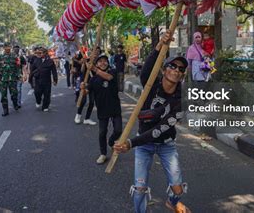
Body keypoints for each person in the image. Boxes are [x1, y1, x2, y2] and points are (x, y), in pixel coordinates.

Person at [114, 30, 190, 213]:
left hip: (166, 144)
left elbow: (158, 130)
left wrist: (130, 143)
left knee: (178, 189)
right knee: (140, 189)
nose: (176, 70)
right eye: (173, 66)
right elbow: (148, 68)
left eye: (181, 69)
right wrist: (159, 46)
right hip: (144, 146)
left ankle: (172, 201)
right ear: (164, 70)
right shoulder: (151, 85)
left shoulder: (181, 101)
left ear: (182, 75)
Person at [81, 54, 122, 164]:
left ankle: (111, 141)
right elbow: (87, 92)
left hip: (114, 107)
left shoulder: (112, 72)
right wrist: (83, 88)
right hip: (102, 108)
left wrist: (94, 68)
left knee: (118, 130)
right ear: (97, 64)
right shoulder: (93, 79)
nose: (103, 63)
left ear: (108, 63)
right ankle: (103, 154)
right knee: (102, 132)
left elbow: (108, 78)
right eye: (100, 61)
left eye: (105, 61)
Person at [0, 42, 21, 116]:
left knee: (14, 94)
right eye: (6, 47)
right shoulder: (0, 56)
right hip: (3, 79)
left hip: (13, 79)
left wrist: (20, 75)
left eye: (9, 47)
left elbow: (18, 67)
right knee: (3, 95)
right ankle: (5, 110)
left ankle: (15, 103)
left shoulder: (14, 56)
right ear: (4, 48)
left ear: (10, 48)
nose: (8, 49)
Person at [74, 47, 100, 126]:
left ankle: (87, 119)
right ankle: (78, 116)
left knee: (92, 102)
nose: (96, 53)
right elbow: (82, 71)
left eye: (98, 52)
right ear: (92, 52)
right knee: (83, 100)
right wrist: (83, 63)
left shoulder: (99, 62)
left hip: (93, 84)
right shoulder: (87, 61)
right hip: (85, 82)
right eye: (95, 51)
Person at [29, 47, 58, 112]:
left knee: (47, 93)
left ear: (45, 53)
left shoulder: (50, 61)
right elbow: (32, 70)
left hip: (47, 80)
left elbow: (54, 71)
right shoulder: (36, 60)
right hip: (38, 79)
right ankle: (38, 101)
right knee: (37, 92)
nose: (39, 54)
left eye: (40, 53)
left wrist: (55, 80)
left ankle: (45, 106)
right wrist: (30, 79)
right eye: (38, 53)